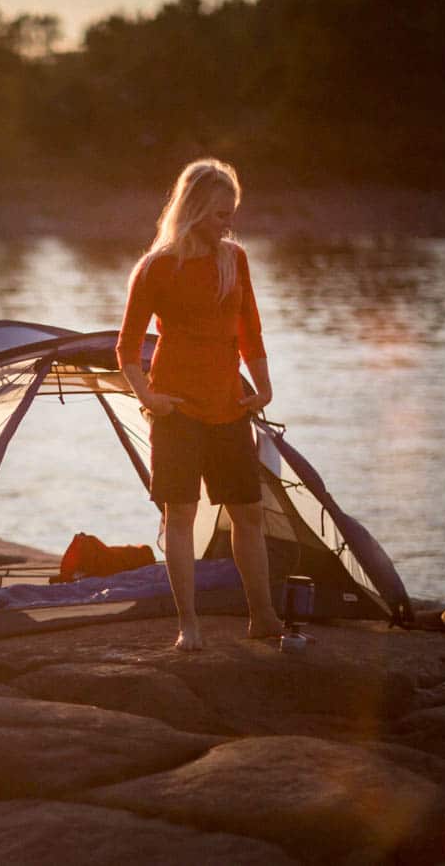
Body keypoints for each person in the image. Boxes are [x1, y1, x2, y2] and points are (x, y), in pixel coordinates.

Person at [116, 158, 282, 651]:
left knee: (248, 514)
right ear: (191, 212)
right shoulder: (156, 267)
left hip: (230, 406)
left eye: (231, 213)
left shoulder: (236, 259)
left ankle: (265, 615)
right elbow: (126, 350)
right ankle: (188, 624)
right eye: (217, 215)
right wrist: (149, 398)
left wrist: (264, 386)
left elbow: (249, 331)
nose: (227, 223)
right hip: (178, 411)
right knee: (181, 515)